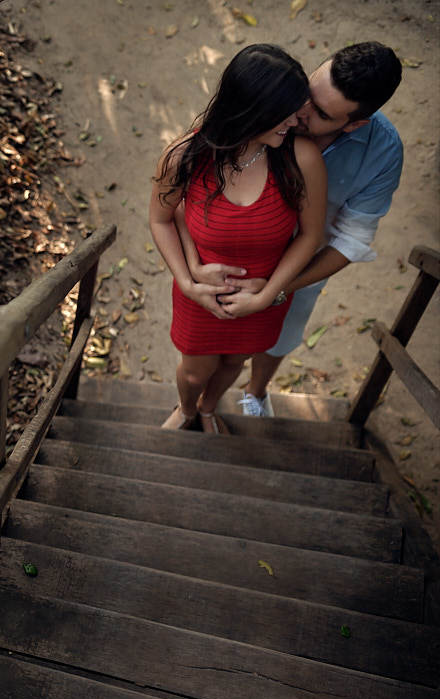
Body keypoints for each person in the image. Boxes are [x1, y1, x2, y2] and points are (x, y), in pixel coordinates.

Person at [189, 42, 404, 417]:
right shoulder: (277, 103)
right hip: (230, 253)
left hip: (302, 269)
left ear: (354, 124)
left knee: (279, 337)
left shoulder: (383, 153)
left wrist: (277, 289)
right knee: (207, 341)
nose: (299, 111)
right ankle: (201, 403)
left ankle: (255, 393)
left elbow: (352, 239)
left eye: (319, 113)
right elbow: (197, 163)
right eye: (307, 92)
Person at [149, 43, 327, 434]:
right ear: (252, 109)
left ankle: (210, 410)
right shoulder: (183, 157)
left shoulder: (302, 159)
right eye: (288, 111)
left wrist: (266, 296)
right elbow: (161, 219)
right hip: (200, 296)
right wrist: (186, 279)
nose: (298, 119)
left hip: (264, 298)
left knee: (235, 363)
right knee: (196, 372)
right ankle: (187, 408)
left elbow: (310, 235)